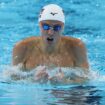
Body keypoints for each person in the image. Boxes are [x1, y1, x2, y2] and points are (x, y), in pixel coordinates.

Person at [12, 4, 89, 84]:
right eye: (45, 26)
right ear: (39, 24)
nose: (50, 32)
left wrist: (65, 82)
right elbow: (12, 79)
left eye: (57, 28)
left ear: (63, 27)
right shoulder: (22, 47)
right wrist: (33, 80)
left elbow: (87, 79)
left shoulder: (76, 47)